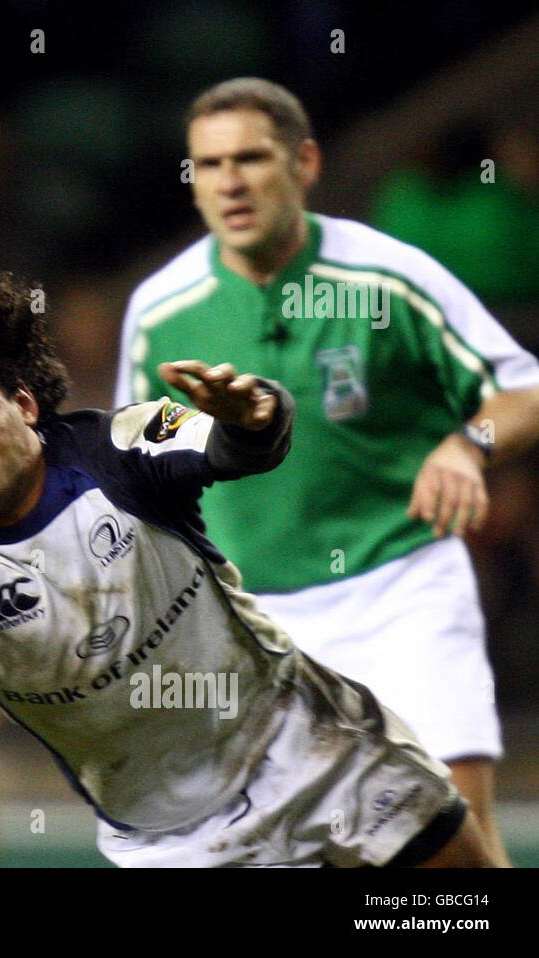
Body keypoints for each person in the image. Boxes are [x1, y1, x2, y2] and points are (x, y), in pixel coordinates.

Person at [0, 249, 495, 867]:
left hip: (314, 745)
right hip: (171, 844)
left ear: (25, 405)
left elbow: (241, 444)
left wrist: (255, 414)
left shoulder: (116, 447)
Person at [115, 78, 539, 866]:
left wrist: (466, 443)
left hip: (402, 588)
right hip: (255, 627)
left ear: (305, 163)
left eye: (251, 158)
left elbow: (522, 388)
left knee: (458, 850)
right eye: (209, 164)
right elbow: (137, 471)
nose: (230, 181)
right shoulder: (160, 309)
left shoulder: (390, 276)